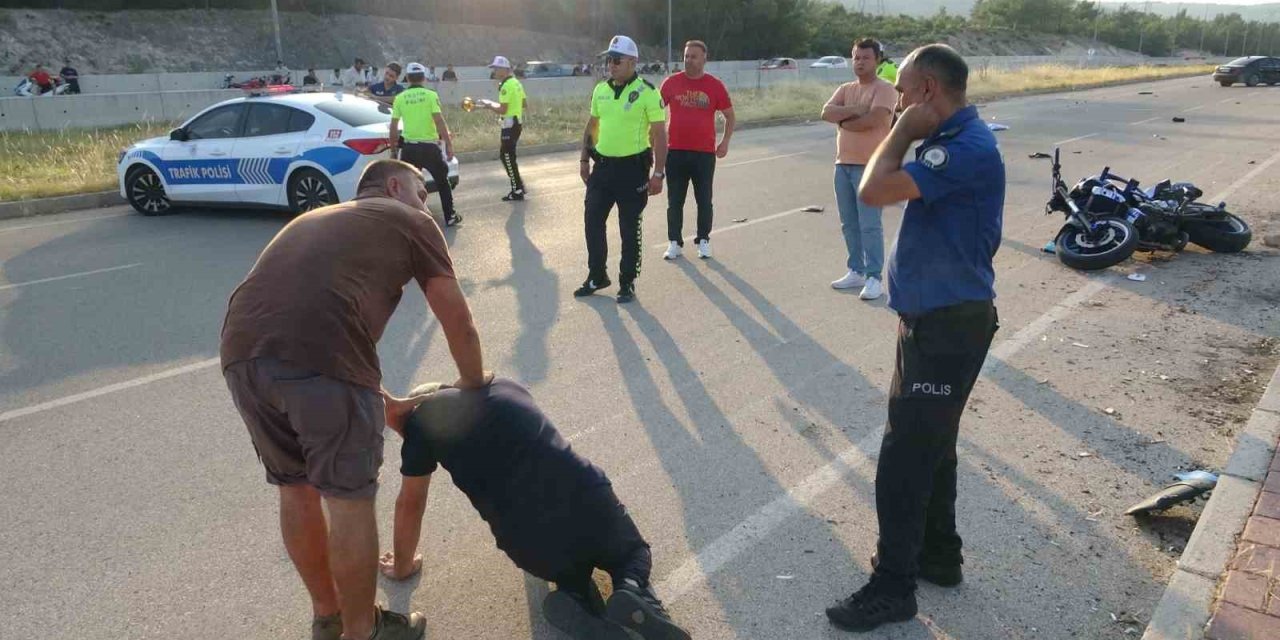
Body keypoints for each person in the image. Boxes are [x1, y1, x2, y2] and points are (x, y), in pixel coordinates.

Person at [221, 158, 490, 640]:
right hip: (319, 357)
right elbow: (456, 318)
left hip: (241, 355)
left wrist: (381, 399)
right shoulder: (410, 219)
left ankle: (330, 618)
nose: (425, 204)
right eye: (420, 193)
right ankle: (363, 631)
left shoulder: (318, 218)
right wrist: (474, 384)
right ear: (394, 187)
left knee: (295, 488)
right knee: (348, 499)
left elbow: (307, 317)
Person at [823, 44, 1003, 633]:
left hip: (949, 326)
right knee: (934, 446)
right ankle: (937, 555)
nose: (896, 100)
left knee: (904, 458)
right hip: (933, 321)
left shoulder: (965, 148)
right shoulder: (954, 139)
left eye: (903, 91)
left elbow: (870, 190)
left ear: (927, 90)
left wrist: (899, 130)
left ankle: (893, 587)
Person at [379, 378, 691, 640]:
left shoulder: (422, 429)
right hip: (586, 502)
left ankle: (577, 597)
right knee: (632, 555)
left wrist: (403, 565)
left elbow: (410, 504)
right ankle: (632, 586)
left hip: (527, 541)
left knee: (564, 567)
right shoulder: (502, 386)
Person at [573, 35, 667, 304]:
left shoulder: (648, 92)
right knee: (592, 221)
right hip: (602, 169)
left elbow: (660, 135)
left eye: (616, 60)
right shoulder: (601, 90)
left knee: (629, 227)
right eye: (608, 60)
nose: (610, 65)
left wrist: (658, 173)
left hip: (633, 171)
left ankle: (627, 282)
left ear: (632, 62)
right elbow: (592, 126)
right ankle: (597, 275)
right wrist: (583, 160)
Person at [821, 38, 897, 301]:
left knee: (869, 225)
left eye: (865, 57)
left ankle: (874, 277)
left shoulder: (885, 89)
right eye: (856, 57)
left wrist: (845, 122)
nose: (860, 62)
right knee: (849, 224)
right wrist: (853, 111)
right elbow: (826, 112)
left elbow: (874, 119)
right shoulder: (846, 88)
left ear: (877, 60)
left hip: (871, 166)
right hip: (842, 165)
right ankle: (856, 269)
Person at [659, 39, 734, 261]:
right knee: (675, 200)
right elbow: (654, 113)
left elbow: (730, 116)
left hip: (704, 154)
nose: (688, 60)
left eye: (693, 56)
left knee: (704, 199)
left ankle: (703, 241)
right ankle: (674, 242)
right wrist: (656, 141)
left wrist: (725, 142)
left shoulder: (714, 85)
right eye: (686, 56)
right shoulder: (671, 83)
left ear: (704, 59)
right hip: (676, 152)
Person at [390, 62, 460, 227]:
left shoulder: (400, 98)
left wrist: (393, 150)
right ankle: (450, 216)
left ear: (407, 78)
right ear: (424, 78)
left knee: (408, 185)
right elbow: (439, 121)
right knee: (442, 181)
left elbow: (393, 126)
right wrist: (449, 145)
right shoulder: (430, 95)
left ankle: (410, 219)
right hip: (429, 148)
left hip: (408, 149)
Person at [481, 55, 528, 201]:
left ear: (503, 69)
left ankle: (517, 189)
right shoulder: (516, 83)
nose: (494, 71)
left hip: (509, 125)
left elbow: (502, 109)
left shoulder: (506, 86)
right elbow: (524, 103)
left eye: (496, 68)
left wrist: (489, 104)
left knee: (507, 157)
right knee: (508, 156)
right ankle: (519, 186)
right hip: (516, 123)